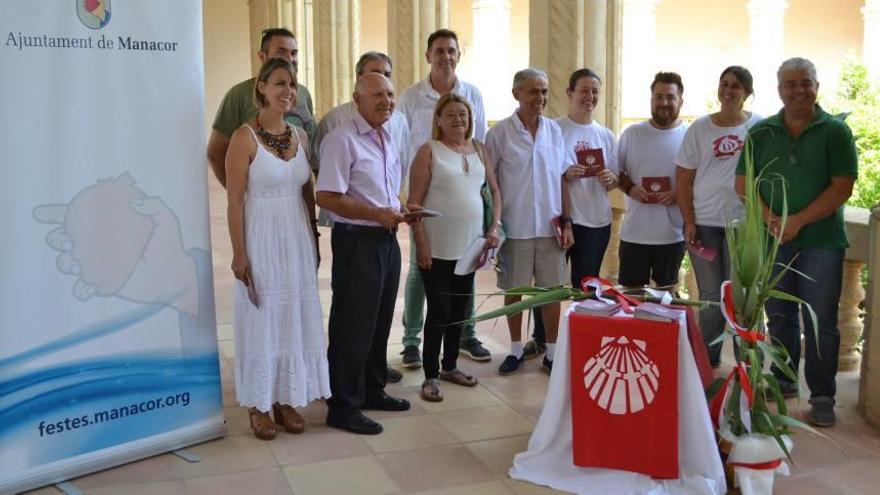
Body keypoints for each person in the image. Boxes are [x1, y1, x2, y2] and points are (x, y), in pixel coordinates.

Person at [735, 57, 857, 427]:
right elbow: (743, 184)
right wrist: (773, 220)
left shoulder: (835, 131)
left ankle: (822, 395)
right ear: (779, 90)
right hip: (774, 240)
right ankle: (785, 380)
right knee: (780, 315)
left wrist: (797, 221)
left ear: (816, 87)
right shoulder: (761, 132)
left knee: (821, 321)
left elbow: (842, 187)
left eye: (806, 82)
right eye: (791, 83)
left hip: (821, 241)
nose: (799, 89)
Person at [225, 58, 330, 441]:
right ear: (262, 88)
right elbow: (235, 200)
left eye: (293, 84)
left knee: (293, 316)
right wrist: (239, 254)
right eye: (280, 83)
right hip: (261, 236)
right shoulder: (243, 138)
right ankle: (259, 404)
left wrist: (314, 239)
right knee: (262, 317)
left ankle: (286, 397)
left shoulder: (300, 137)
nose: (288, 90)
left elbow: (307, 193)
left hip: (296, 238)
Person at [316, 73, 411, 435]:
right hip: (356, 241)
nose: (386, 100)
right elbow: (326, 196)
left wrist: (402, 207)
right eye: (377, 95)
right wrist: (377, 214)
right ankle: (343, 405)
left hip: (386, 239)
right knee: (352, 326)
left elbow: (381, 192)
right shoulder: (342, 140)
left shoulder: (387, 138)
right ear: (357, 99)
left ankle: (373, 391)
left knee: (379, 321)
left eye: (390, 93)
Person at [397, 29, 491, 367]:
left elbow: (477, 144)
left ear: (458, 56)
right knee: (420, 269)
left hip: (465, 194)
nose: (445, 56)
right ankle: (411, 341)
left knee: (466, 268)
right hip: (425, 197)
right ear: (428, 56)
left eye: (451, 50)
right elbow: (399, 144)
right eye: (439, 50)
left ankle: (466, 334)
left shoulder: (472, 94)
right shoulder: (410, 97)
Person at [408, 93, 502, 402]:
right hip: (437, 246)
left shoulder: (479, 149)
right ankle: (431, 375)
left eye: (463, 113)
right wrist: (421, 245)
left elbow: (494, 192)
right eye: (450, 114)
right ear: (438, 119)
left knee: (460, 311)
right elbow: (414, 204)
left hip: (471, 245)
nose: (458, 119)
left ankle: (450, 366)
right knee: (440, 310)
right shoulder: (429, 151)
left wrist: (494, 227)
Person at [486, 68, 572, 376]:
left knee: (552, 292)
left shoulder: (554, 131)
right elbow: (490, 184)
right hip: (516, 227)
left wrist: (567, 222)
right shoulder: (498, 134)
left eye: (545, 92)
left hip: (550, 229)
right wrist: (494, 225)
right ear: (516, 94)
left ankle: (552, 353)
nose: (540, 98)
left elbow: (562, 178)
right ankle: (515, 350)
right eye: (534, 91)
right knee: (515, 291)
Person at [676, 66, 762, 367]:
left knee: (743, 295)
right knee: (711, 295)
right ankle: (706, 360)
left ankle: (747, 362)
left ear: (747, 93)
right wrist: (689, 220)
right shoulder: (700, 128)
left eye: (736, 85)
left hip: (743, 225)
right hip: (705, 224)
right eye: (724, 84)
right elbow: (683, 180)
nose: (728, 90)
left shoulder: (760, 127)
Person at [208, 28, 317, 188]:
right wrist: (241, 194)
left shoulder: (303, 94)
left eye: (294, 53)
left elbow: (311, 148)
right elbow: (216, 152)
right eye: (281, 52)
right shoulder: (238, 95)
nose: (290, 58)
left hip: (296, 199)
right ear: (262, 56)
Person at [617, 72, 689, 292]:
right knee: (631, 298)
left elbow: (699, 178)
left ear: (680, 101)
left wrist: (679, 193)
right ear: (651, 99)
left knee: (666, 298)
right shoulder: (632, 134)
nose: (664, 103)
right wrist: (630, 189)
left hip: (672, 235)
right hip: (634, 233)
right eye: (659, 97)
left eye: (670, 97)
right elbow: (617, 172)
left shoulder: (689, 136)